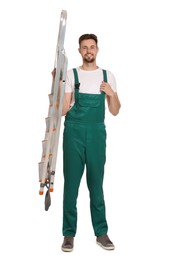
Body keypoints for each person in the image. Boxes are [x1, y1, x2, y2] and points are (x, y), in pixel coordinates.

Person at [53, 34, 121, 252]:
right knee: (71, 185)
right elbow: (63, 111)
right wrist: (57, 84)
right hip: (73, 133)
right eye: (84, 48)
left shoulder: (107, 76)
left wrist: (111, 94)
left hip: (97, 135)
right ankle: (68, 234)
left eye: (92, 47)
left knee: (96, 185)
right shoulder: (72, 75)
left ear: (97, 49)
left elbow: (115, 110)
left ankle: (101, 233)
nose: (88, 51)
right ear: (79, 51)